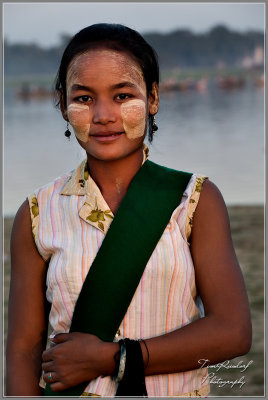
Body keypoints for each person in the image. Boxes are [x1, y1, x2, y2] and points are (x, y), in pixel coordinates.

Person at [6, 23, 252, 397]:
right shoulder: (37, 214)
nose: (103, 115)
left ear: (152, 98)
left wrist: (113, 358)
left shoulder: (195, 201)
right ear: (62, 104)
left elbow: (233, 331)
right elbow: (24, 350)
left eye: (122, 96)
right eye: (85, 98)